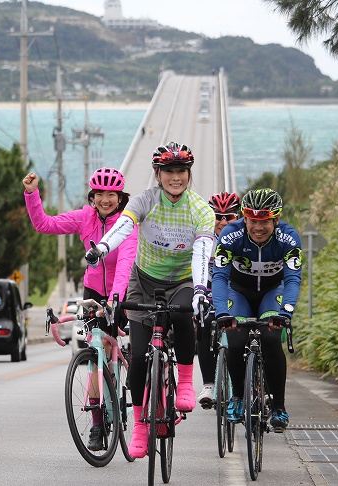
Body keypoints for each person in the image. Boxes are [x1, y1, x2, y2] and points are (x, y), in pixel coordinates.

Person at [84, 142, 215, 459]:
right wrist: (102, 248)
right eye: (168, 171)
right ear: (158, 174)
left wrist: (199, 289)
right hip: (143, 282)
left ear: (188, 174)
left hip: (182, 280)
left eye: (181, 171)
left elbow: (201, 252)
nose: (175, 177)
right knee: (140, 358)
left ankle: (185, 382)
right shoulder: (145, 200)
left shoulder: (200, 210)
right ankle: (141, 430)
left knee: (184, 316)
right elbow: (124, 225)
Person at [23, 167, 138, 450]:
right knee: (95, 354)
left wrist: (115, 299)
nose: (105, 199)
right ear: (93, 196)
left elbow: (124, 264)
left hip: (123, 290)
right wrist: (31, 194)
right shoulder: (85, 217)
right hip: (93, 293)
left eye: (111, 194)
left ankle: (142, 399)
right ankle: (97, 422)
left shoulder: (127, 223)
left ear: (120, 197)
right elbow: (44, 225)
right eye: (99, 194)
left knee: (136, 346)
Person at [211, 188, 302, 431]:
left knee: (272, 339)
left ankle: (279, 407)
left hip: (273, 291)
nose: (258, 228)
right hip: (238, 291)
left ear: (276, 220)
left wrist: (286, 312)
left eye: (264, 222)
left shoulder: (289, 238)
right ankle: (239, 397)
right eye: (252, 221)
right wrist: (221, 312)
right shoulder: (231, 234)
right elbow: (219, 277)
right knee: (236, 338)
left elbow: (293, 279)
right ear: (244, 218)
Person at [196, 192, 241, 409]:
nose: (222, 221)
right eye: (217, 216)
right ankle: (208, 384)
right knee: (203, 325)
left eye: (229, 217)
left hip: (238, 291)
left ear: (238, 217)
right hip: (211, 291)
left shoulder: (243, 237)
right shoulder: (205, 238)